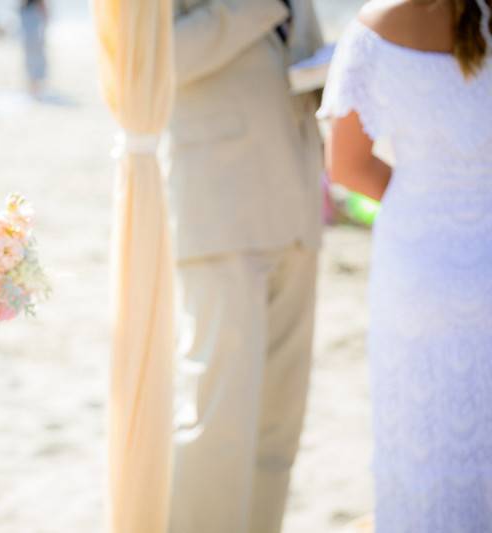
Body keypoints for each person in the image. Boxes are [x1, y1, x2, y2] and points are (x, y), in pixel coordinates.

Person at [320, 0, 492, 530]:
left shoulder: (375, 27)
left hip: (417, 262)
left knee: (420, 448)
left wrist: (426, 198)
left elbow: (345, 166)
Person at [167, 1, 324, 532]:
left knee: (278, 423)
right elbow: (152, 65)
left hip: (299, 207)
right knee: (219, 416)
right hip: (220, 212)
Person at [20, 0, 47, 97]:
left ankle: (35, 86)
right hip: (28, 12)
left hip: (32, 13)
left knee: (34, 51)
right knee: (32, 51)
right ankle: (34, 85)